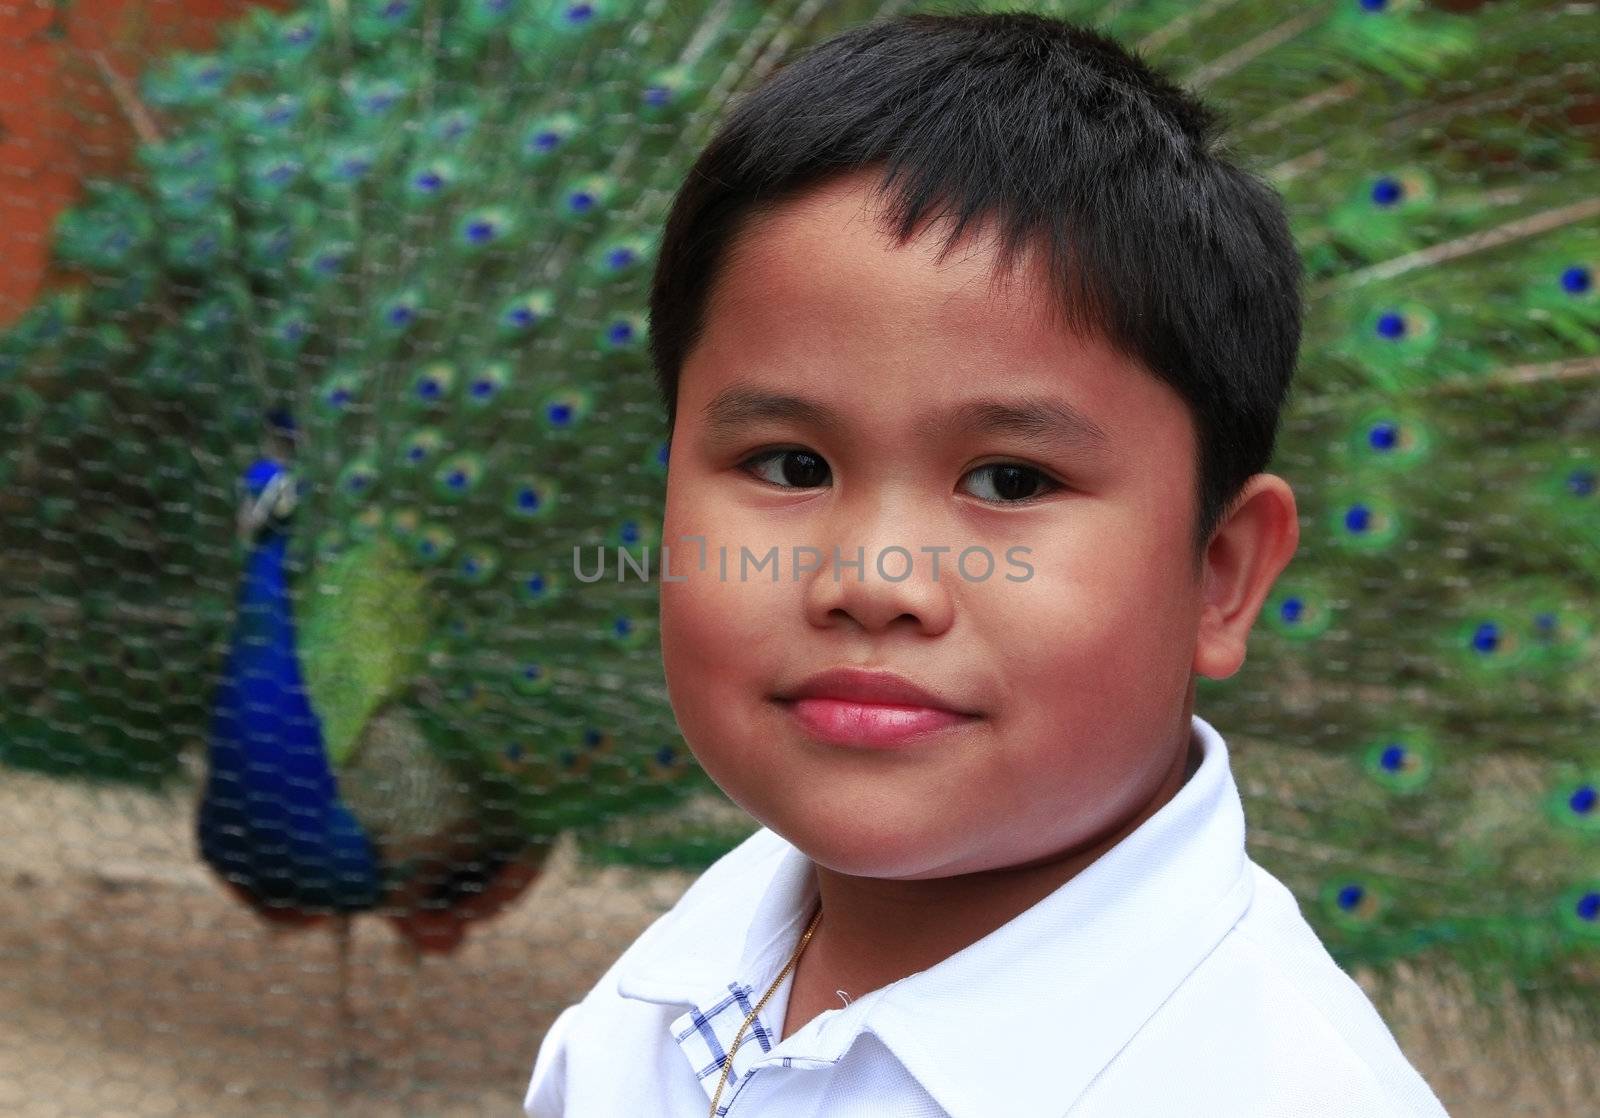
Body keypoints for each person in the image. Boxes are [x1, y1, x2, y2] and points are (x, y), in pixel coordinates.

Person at [526, 10, 1451, 1117]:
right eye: (789, 463)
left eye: (1010, 482)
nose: (873, 578)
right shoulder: (671, 981)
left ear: (1219, 575)